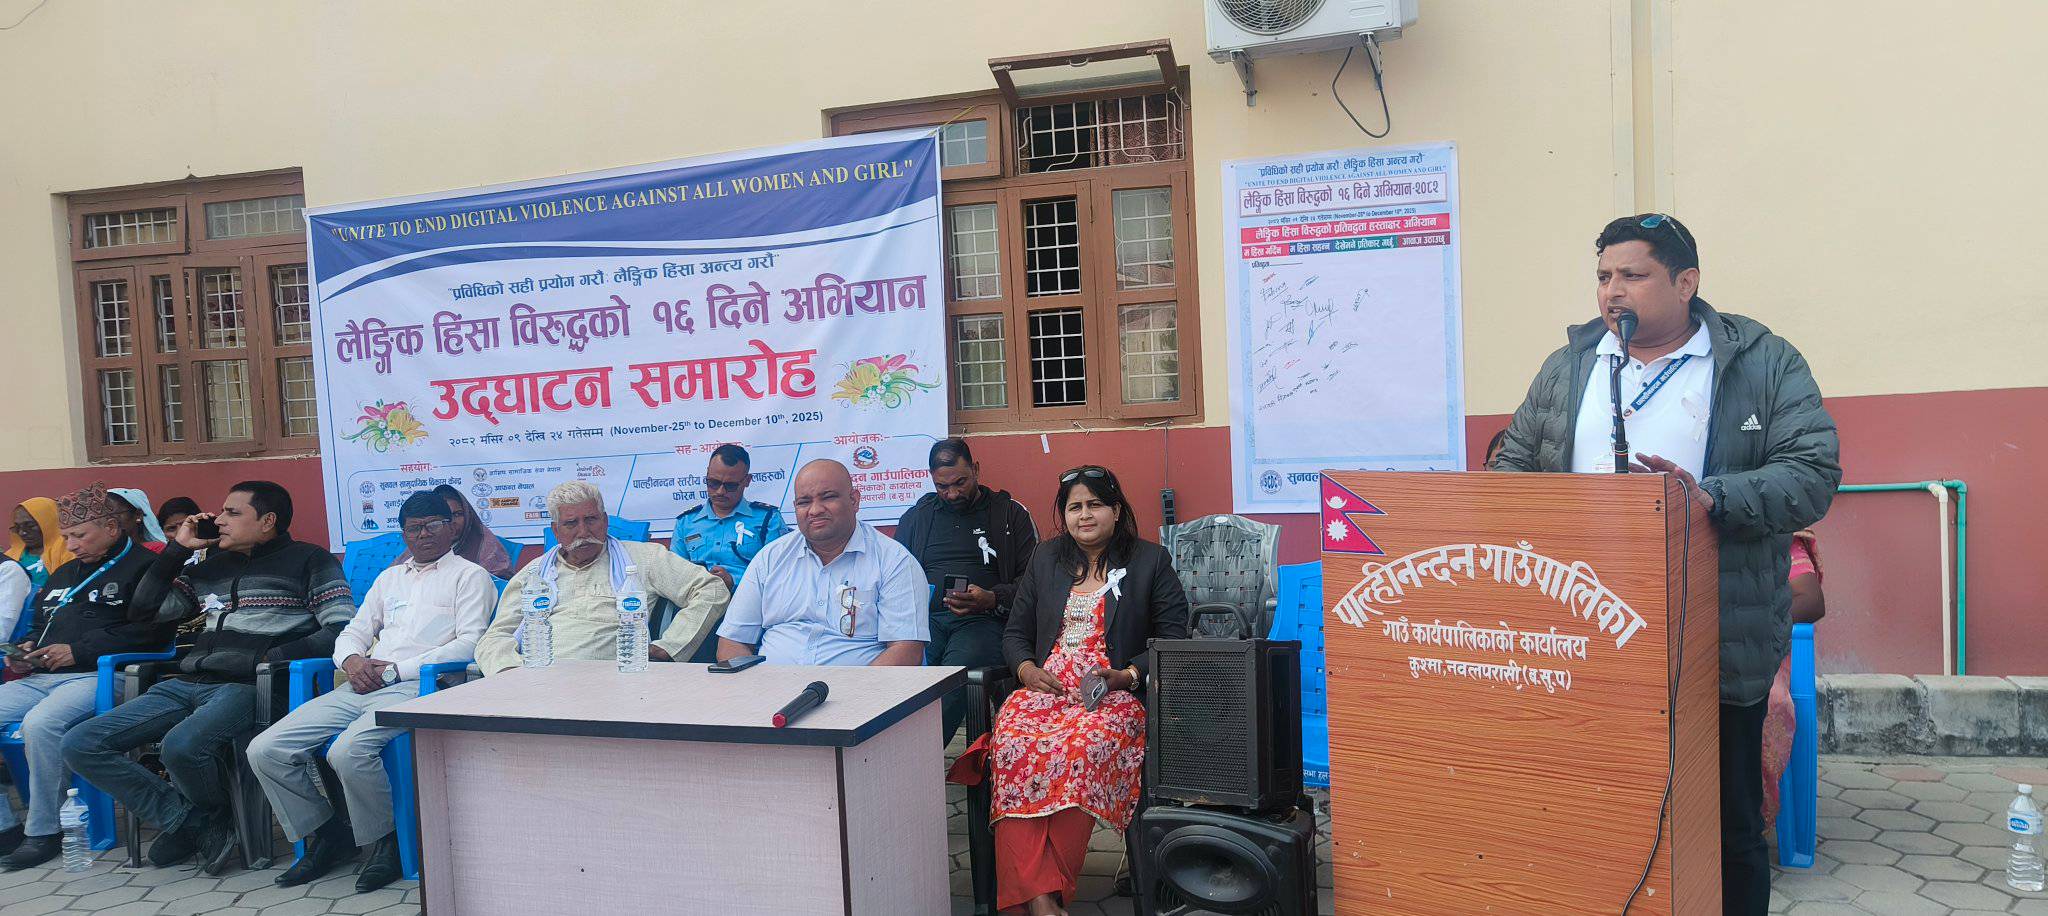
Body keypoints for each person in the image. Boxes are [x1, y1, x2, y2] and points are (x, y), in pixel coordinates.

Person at [1489, 214, 1840, 915]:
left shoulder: (1763, 362)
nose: (1612, 291)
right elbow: (1512, 465)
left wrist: (1709, 498)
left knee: (1727, 824)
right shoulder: (1570, 366)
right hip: (1584, 631)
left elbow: (1812, 473)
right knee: (1597, 809)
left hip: (1714, 635)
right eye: (1603, 277)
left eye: (1632, 275)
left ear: (1686, 283)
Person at [62, 480, 357, 875]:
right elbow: (145, 612)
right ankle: (195, 822)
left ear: (267, 520)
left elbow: (340, 628)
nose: (219, 520)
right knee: (81, 742)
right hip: (188, 682)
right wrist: (177, 550)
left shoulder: (310, 560)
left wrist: (270, 657)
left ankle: (201, 824)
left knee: (180, 746)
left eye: (232, 513)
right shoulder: (210, 567)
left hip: (254, 685)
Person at [249, 491, 493, 892]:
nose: (424, 534)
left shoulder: (470, 576)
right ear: (404, 534)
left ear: (451, 528)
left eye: (433, 525)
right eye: (414, 528)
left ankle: (388, 842)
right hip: (363, 684)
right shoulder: (389, 578)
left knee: (347, 751)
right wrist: (351, 661)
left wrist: (396, 671)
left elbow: (469, 643)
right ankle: (330, 835)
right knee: (266, 749)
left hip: (422, 687)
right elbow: (354, 631)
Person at [988, 465, 1189, 915]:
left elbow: (1174, 638)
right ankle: (1042, 899)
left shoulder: (1150, 561)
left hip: (1112, 695)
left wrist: (1126, 675)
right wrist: (1025, 670)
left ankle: (1041, 894)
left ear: (1116, 510)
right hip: (1046, 689)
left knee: (1078, 750)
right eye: (1074, 507)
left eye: (1094, 504)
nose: (1084, 515)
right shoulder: (1045, 558)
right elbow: (1015, 632)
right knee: (1012, 742)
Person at [0, 484, 174, 869]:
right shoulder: (64, 572)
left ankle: (43, 831)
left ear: (111, 528)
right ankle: (4, 825)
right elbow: (42, 626)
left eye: (79, 535)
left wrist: (78, 651)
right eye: (66, 537)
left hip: (102, 674)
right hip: (43, 676)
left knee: (40, 724)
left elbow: (153, 633)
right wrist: (27, 651)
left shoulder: (147, 567)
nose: (71, 545)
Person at [475, 480, 729, 674]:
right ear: (556, 530)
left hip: (616, 684)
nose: (583, 531)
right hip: (538, 683)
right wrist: (513, 674)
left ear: (605, 520)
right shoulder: (534, 574)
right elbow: (496, 637)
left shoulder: (644, 559)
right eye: (571, 524)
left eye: (591, 519)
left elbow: (712, 589)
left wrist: (671, 647)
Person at [892, 438, 1037, 744]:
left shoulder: (1009, 515)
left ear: (976, 470)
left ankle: (921, 757)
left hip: (985, 620)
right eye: (942, 486)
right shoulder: (916, 518)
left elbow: (1033, 580)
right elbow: (892, 577)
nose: (952, 494)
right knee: (903, 675)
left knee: (953, 677)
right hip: (925, 623)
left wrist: (993, 598)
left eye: (960, 483)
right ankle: (897, 753)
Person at [714, 459, 928, 667]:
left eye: (828, 497)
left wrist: (855, 690)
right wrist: (758, 687)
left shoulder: (894, 561)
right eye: (804, 502)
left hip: (859, 688)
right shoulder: (770, 558)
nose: (815, 510)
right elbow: (732, 642)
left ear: (854, 500)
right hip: (772, 687)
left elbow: (906, 651)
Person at [1761, 530, 1824, 826]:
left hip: (1760, 646)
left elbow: (1811, 600)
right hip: (1696, 644)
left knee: (1766, 701)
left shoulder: (1781, 531)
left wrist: (1752, 626)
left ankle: (1747, 815)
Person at [670, 444, 789, 592]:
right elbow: (673, 575)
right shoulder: (686, 522)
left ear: (747, 481)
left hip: (748, 600)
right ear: (707, 475)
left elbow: (780, 574)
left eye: (731, 486)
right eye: (714, 483)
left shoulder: (768, 519)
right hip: (695, 598)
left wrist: (734, 582)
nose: (720, 491)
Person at [396, 484, 514, 579]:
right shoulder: (418, 551)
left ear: (468, 515)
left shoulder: (486, 552)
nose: (452, 521)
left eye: (457, 514)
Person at [108, 487, 169, 551]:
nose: (108, 521)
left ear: (138, 515)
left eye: (114, 514)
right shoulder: (104, 552)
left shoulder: (157, 550)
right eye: (103, 516)